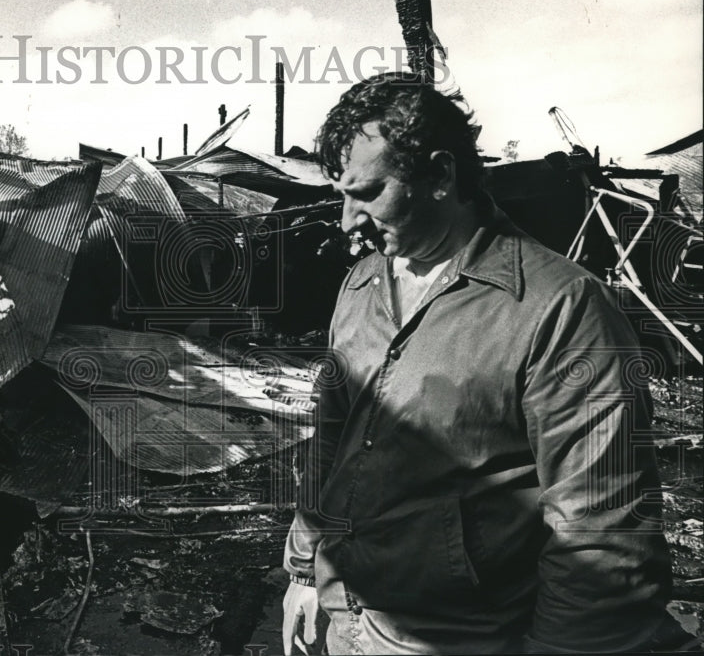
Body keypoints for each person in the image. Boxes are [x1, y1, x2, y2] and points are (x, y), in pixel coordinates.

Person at [281, 72, 685, 654]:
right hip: (347, 617)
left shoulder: (562, 308)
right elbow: (332, 438)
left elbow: (601, 531)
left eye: (367, 193)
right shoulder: (362, 283)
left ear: (441, 175)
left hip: (464, 637)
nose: (347, 220)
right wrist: (303, 569)